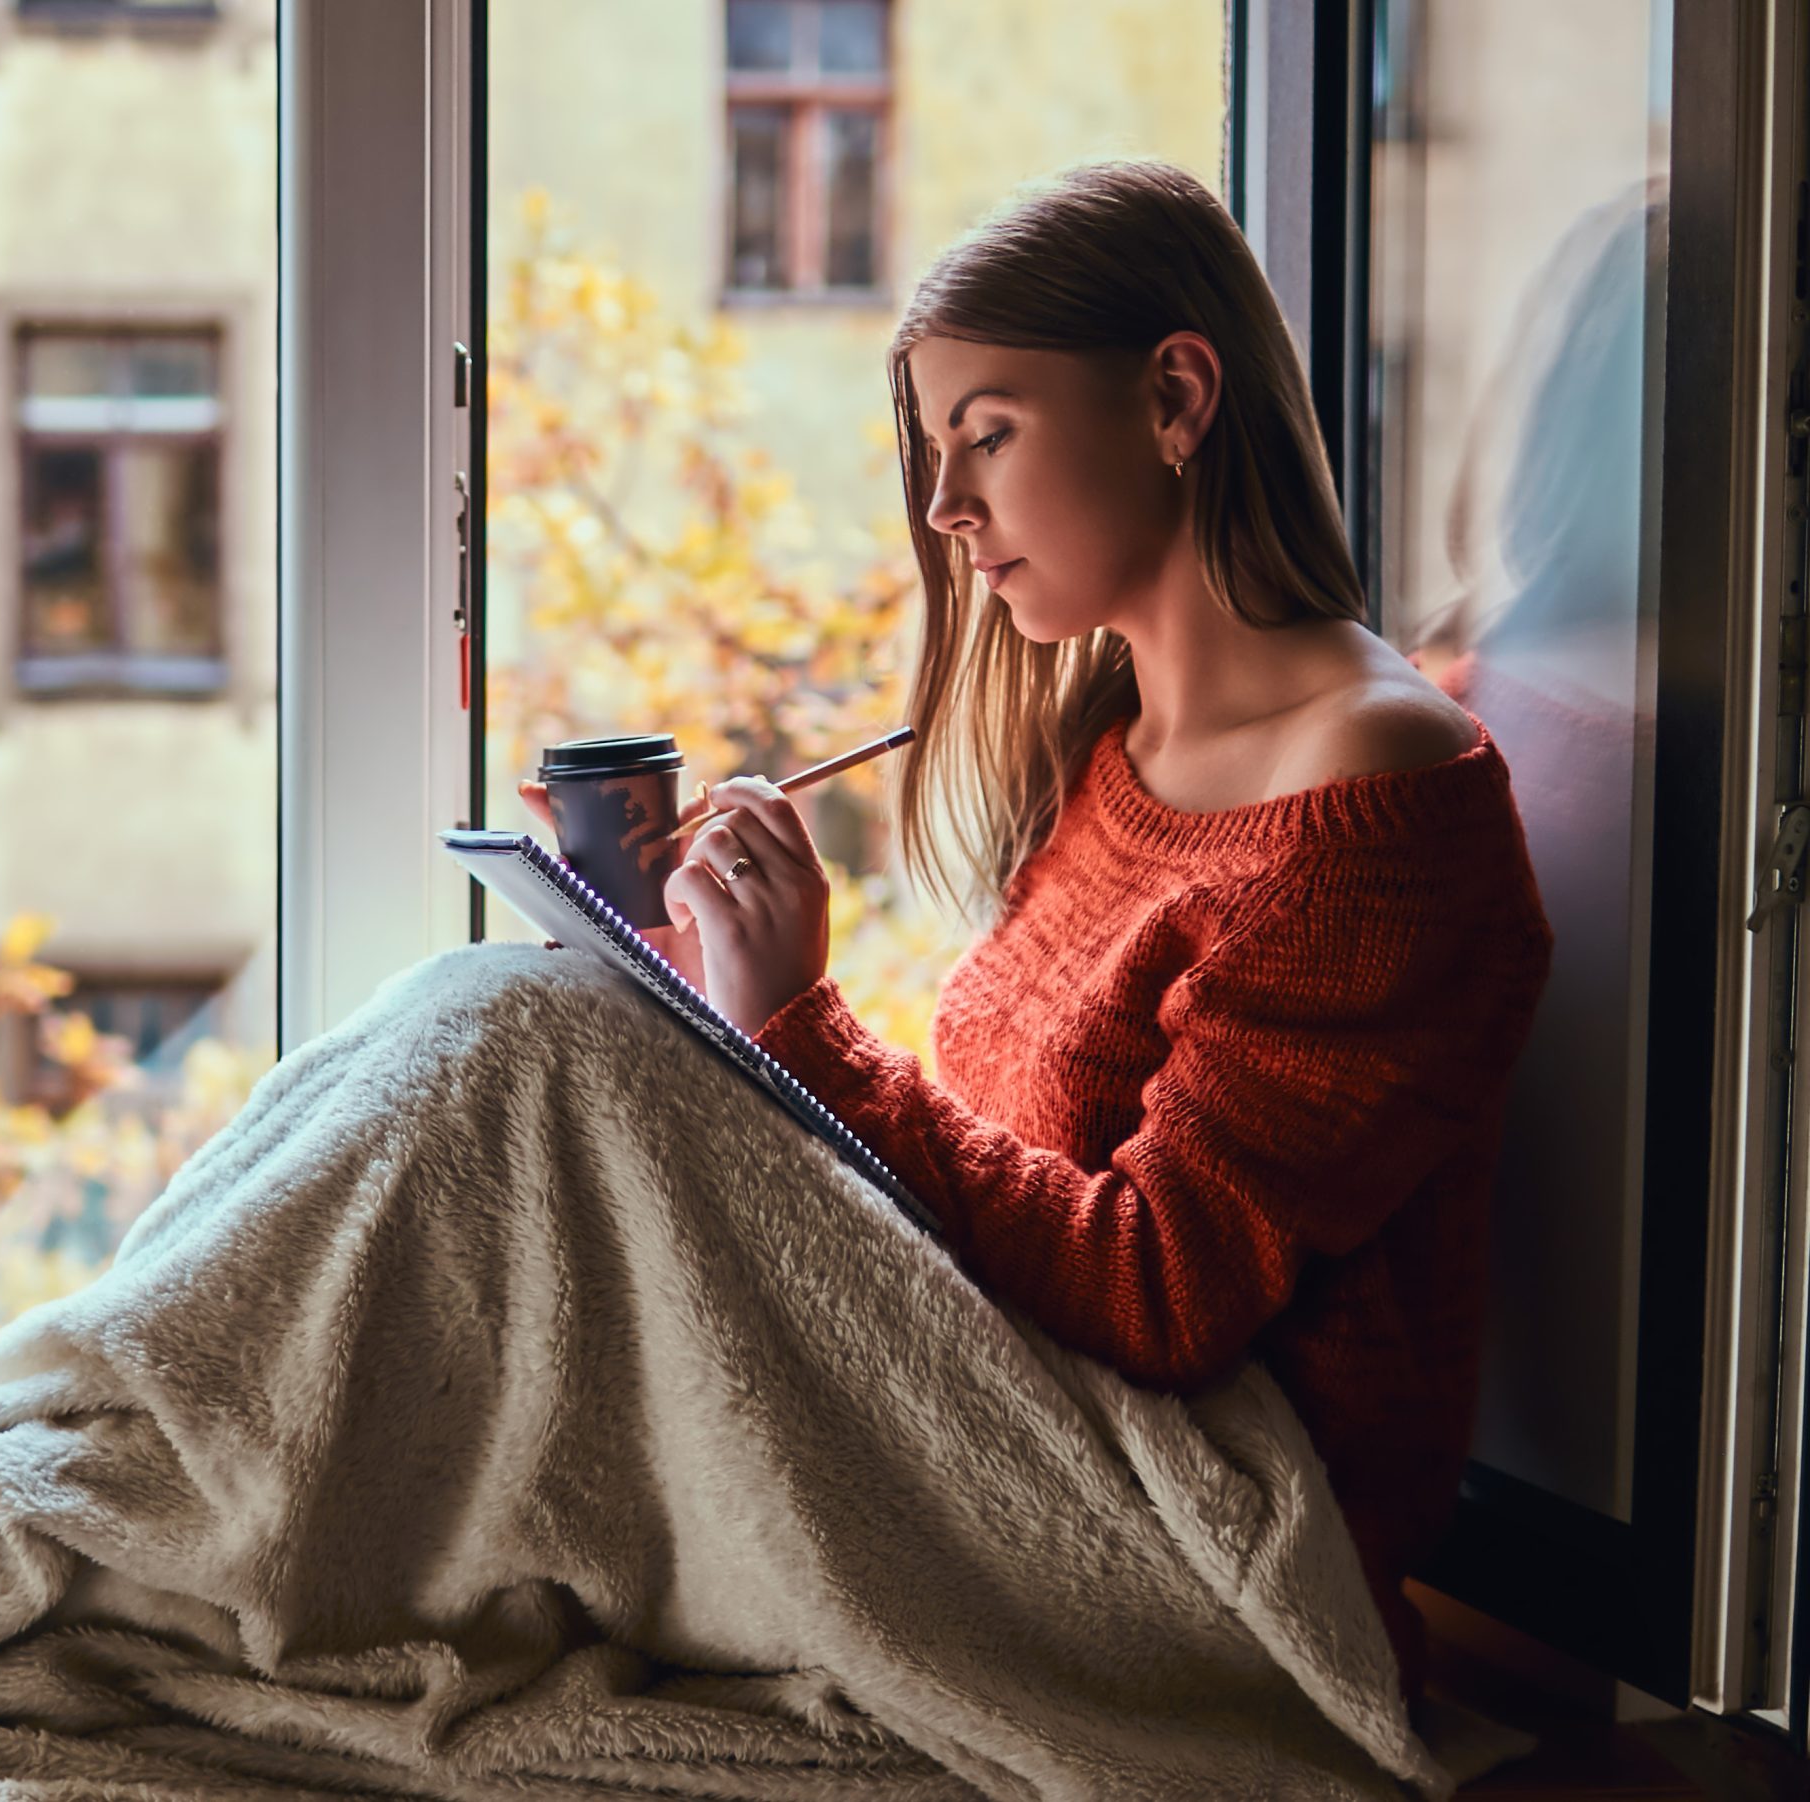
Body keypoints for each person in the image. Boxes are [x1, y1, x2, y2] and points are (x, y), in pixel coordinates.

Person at [523, 158, 1556, 1718]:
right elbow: (998, 1170)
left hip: (1197, 1541)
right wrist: (726, 993)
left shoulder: (1375, 798)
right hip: (1013, 1421)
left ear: (1177, 398)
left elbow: (1154, 1287)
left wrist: (806, 1025)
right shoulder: (1118, 746)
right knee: (544, 1039)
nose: (946, 508)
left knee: (506, 1056)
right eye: (940, 452)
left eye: (987, 435)